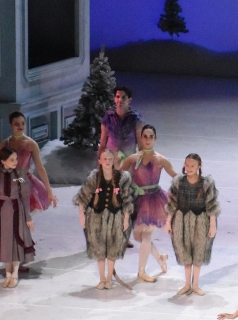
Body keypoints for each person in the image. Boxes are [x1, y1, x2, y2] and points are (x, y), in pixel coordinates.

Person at [119, 124, 177, 282]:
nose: (148, 140)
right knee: (139, 237)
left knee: (146, 236)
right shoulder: (133, 159)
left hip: (154, 201)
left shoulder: (161, 160)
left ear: (155, 139)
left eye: (151, 137)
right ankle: (160, 258)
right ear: (141, 138)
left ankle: (141, 271)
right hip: (137, 200)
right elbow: (118, 175)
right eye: (145, 136)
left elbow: (176, 176)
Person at [72, 149, 133, 289]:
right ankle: (102, 279)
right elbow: (83, 197)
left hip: (115, 217)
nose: (107, 161)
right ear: (99, 161)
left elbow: (126, 199)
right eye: (105, 159)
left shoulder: (121, 178)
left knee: (112, 249)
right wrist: (82, 215)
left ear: (114, 160)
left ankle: (109, 279)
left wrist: (125, 218)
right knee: (99, 249)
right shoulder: (94, 177)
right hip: (96, 217)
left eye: (110, 159)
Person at [0, 111, 57, 212]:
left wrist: (49, 191)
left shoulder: (31, 144)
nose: (20, 126)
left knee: (22, 214)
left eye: (22, 123)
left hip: (23, 182)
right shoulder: (5, 144)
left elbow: (40, 168)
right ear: (11, 125)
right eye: (17, 124)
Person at [166, 154, 220, 296]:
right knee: (184, 251)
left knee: (199, 251)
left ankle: (195, 285)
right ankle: (187, 284)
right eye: (187, 165)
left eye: (192, 166)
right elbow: (172, 203)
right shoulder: (178, 182)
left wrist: (212, 224)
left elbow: (212, 204)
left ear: (198, 167)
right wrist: (168, 221)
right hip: (181, 220)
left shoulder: (206, 183)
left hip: (200, 220)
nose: (188, 168)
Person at [0, 147, 35, 288]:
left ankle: (15, 273)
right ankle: (8, 274)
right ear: (3, 161)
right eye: (12, 159)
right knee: (4, 242)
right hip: (2, 212)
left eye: (16, 159)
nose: (15, 162)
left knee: (17, 241)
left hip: (17, 211)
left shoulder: (20, 176)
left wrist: (28, 218)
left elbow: (25, 198)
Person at [99, 86, 144, 162]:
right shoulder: (108, 119)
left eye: (123, 97)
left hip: (129, 162)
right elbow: (102, 145)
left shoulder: (136, 120)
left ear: (129, 100)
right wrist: (100, 162)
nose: (120, 100)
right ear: (114, 99)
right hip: (111, 162)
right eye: (118, 97)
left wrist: (142, 165)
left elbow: (141, 146)